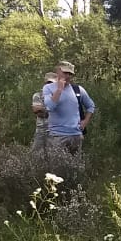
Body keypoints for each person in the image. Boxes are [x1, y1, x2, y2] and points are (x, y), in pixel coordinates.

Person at [39, 60, 95, 188]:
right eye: (65, 72)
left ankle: (74, 196)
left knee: (75, 170)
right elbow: (50, 106)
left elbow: (91, 106)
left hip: (76, 135)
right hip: (57, 136)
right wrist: (59, 89)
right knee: (57, 172)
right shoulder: (48, 88)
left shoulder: (77, 89)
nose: (67, 76)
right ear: (58, 71)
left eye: (70, 73)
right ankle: (56, 197)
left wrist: (85, 122)